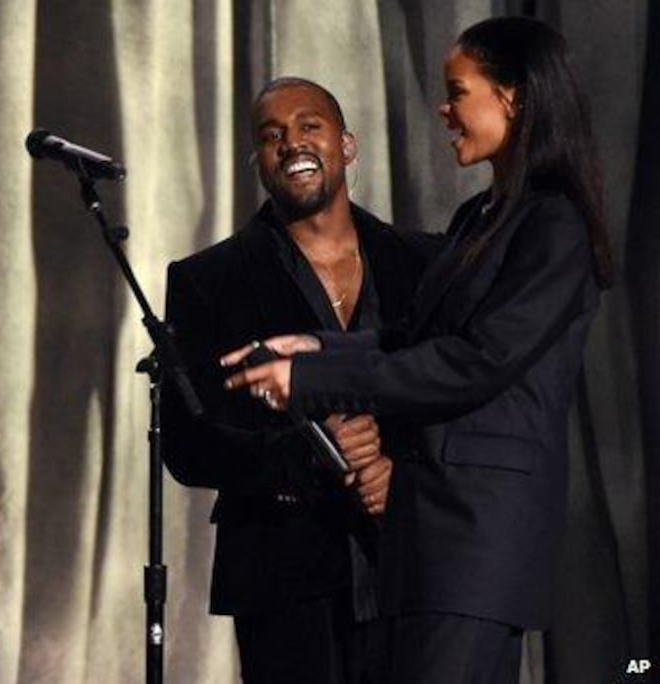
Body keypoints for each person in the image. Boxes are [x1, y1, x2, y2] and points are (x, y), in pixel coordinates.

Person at [228, 17, 612, 683]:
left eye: (458, 92)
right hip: (426, 537)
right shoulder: (478, 219)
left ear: (513, 98)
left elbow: (475, 363)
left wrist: (311, 380)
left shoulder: (554, 225)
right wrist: (312, 345)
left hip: (477, 538)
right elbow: (411, 339)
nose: (444, 109)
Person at [162, 77, 439, 683]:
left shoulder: (427, 263)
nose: (291, 143)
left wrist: (403, 469)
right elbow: (189, 445)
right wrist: (313, 452)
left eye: (309, 125)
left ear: (347, 143)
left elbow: (457, 391)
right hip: (282, 578)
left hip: (416, 566)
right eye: (271, 136)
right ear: (258, 162)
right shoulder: (205, 280)